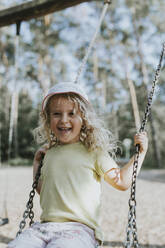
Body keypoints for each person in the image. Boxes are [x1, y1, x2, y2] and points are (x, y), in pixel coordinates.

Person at [8, 82, 148, 248]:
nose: (64, 120)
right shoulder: (50, 153)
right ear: (48, 119)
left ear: (84, 118)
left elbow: (122, 181)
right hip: (44, 227)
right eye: (56, 114)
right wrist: (37, 163)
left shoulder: (94, 152)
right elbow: (45, 191)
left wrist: (140, 153)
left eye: (72, 113)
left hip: (79, 230)